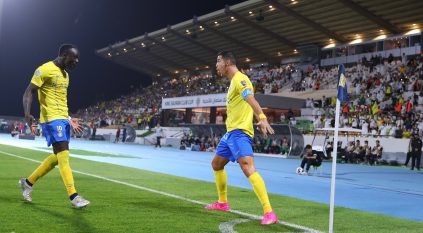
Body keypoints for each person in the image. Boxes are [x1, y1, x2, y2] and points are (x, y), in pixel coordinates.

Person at [205, 51, 278, 225]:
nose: (216, 65)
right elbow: (244, 104)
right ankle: (222, 203)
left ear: (228, 62)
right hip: (230, 133)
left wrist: (262, 118)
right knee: (216, 164)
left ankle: (269, 212)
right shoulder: (232, 83)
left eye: (218, 61)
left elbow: (250, 98)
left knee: (247, 168)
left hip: (240, 133)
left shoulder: (240, 79)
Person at [19, 44, 90, 208]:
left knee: (58, 158)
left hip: (63, 119)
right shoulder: (44, 69)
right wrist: (27, 114)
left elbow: (60, 100)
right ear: (64, 55)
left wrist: (69, 118)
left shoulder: (66, 75)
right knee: (64, 156)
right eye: (74, 58)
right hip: (51, 119)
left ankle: (28, 183)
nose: (77, 61)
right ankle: (74, 196)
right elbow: (28, 92)